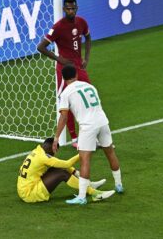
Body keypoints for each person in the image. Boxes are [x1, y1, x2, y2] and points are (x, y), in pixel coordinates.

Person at [52, 65, 124, 205]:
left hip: (88, 126)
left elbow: (64, 117)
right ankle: (119, 185)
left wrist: (56, 137)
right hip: (103, 122)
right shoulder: (89, 86)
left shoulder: (66, 93)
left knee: (85, 160)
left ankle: (82, 197)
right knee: (110, 153)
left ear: (64, 78)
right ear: (76, 75)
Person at [37, 0, 91, 148]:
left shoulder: (81, 22)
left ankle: (90, 133)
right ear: (63, 9)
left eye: (73, 8)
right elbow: (41, 47)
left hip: (79, 67)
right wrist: (59, 59)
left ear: (77, 8)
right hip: (64, 71)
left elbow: (88, 37)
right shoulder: (58, 27)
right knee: (66, 104)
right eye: (68, 8)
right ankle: (74, 138)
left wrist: (86, 58)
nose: (71, 11)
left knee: (89, 96)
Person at [17, 138, 115, 203]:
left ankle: (87, 184)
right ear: (50, 148)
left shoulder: (37, 151)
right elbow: (67, 164)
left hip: (25, 188)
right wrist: (84, 152)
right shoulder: (44, 157)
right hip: (30, 194)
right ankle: (94, 193)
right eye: (54, 151)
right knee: (62, 173)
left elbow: (61, 164)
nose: (54, 154)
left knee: (58, 167)